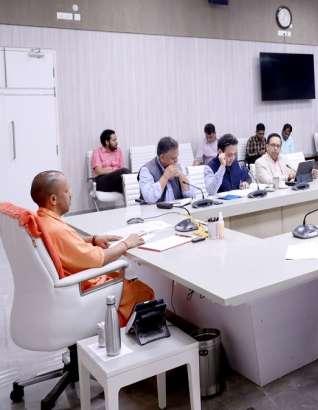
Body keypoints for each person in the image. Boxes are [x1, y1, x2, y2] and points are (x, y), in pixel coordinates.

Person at [31, 170, 153, 326]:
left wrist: (93, 239)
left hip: (73, 282)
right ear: (53, 199)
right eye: (67, 191)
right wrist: (126, 243)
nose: (71, 194)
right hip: (84, 288)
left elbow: (67, 244)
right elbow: (98, 259)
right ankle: (117, 330)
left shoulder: (43, 219)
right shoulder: (57, 229)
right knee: (143, 291)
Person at [138, 137, 195, 203]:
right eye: (173, 158)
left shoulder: (179, 166)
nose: (176, 161)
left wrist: (181, 176)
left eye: (177, 157)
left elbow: (191, 197)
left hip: (178, 208)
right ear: (162, 157)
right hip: (155, 209)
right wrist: (165, 176)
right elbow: (149, 199)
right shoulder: (146, 170)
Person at [91, 129, 130, 194]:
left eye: (116, 140)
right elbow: (99, 171)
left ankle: (135, 198)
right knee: (125, 172)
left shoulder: (118, 151)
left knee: (127, 182)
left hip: (115, 181)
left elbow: (121, 169)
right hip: (101, 181)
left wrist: (108, 170)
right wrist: (115, 170)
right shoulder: (97, 152)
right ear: (107, 142)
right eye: (114, 140)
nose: (116, 142)